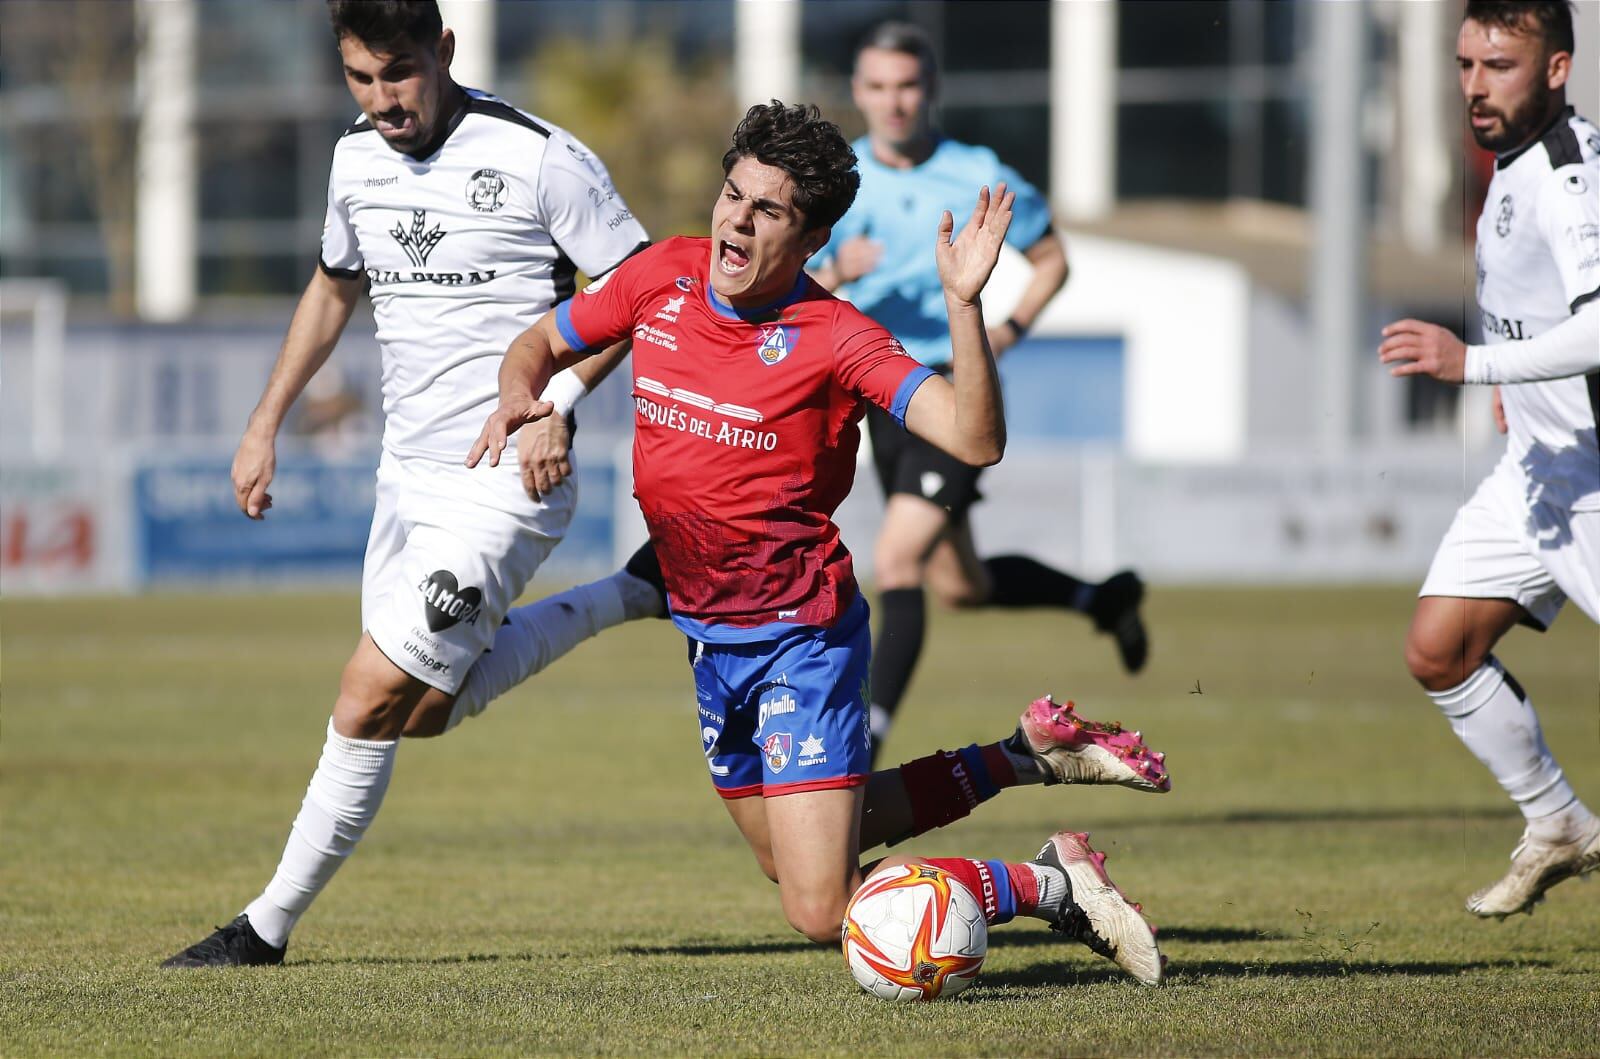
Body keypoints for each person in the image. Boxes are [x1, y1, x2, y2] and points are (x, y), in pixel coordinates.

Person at [471, 102, 1172, 985]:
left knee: (815, 905)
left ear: (809, 240)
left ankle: (1048, 882)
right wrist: (528, 401)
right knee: (793, 857)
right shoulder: (662, 275)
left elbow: (972, 436)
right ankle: (1022, 755)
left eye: (768, 212)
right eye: (733, 196)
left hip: (800, 637)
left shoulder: (838, 337)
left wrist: (965, 305)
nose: (737, 220)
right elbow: (539, 340)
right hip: (707, 635)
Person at [162, 0, 667, 968]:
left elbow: (641, 294)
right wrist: (265, 421)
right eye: (359, 77)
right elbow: (332, 286)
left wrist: (554, 403)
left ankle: (260, 931)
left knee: (364, 700)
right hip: (408, 480)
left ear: (443, 50)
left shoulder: (540, 158)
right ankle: (636, 591)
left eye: (398, 72)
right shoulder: (355, 160)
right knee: (422, 709)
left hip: (506, 482)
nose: (382, 98)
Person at [808, 23, 1149, 761]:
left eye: (907, 85)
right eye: (877, 86)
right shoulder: (840, 178)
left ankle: (866, 739)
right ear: (859, 93)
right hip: (878, 395)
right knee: (962, 584)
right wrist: (838, 276)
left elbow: (1052, 258)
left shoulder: (975, 172)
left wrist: (1011, 329)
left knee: (896, 561)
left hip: (950, 392)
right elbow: (798, 288)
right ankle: (1104, 597)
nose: (893, 102)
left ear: (929, 90)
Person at [1378, 0, 1598, 919]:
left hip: (1591, 474)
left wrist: (1476, 364)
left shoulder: (1570, 179)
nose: (1474, 86)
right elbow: (1529, 302)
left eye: (1498, 66)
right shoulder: (1508, 162)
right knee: (1440, 647)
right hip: (1535, 465)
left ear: (1556, 68)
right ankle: (1558, 824)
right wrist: (1515, 379)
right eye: (1465, 63)